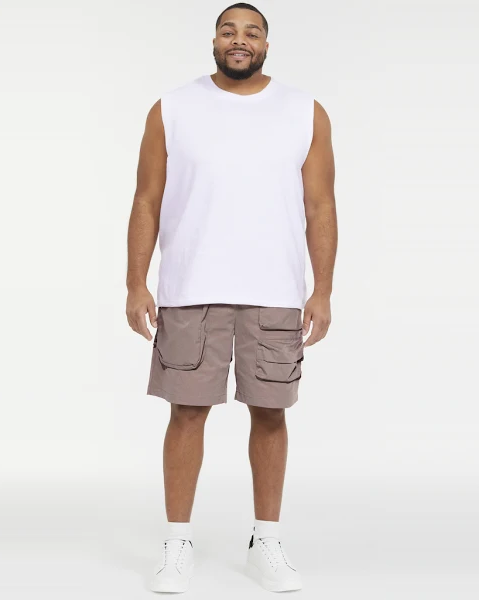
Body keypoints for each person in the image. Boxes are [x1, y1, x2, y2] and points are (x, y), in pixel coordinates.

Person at [125, 2, 337, 593]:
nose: (239, 40)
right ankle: (177, 543)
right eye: (228, 31)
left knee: (270, 413)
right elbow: (146, 199)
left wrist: (322, 290)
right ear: (214, 41)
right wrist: (135, 281)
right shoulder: (171, 108)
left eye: (251, 32)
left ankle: (265, 541)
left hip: (275, 288)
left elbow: (321, 204)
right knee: (186, 413)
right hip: (191, 287)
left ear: (266, 44)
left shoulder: (304, 111)